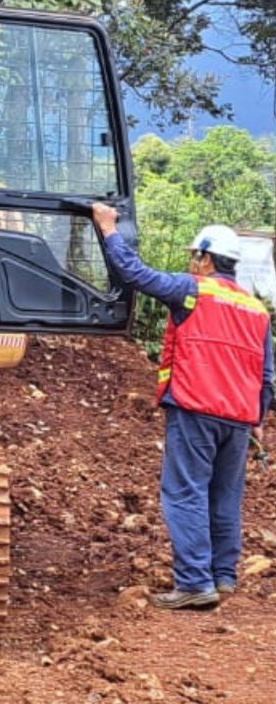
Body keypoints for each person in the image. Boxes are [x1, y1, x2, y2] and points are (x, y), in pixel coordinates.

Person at [91, 205, 273, 610]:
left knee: (185, 493)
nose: (192, 262)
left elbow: (135, 274)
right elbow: (267, 373)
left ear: (206, 259)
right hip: (239, 420)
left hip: (197, 409)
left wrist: (108, 230)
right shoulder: (256, 310)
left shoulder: (193, 290)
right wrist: (259, 418)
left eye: (195, 256)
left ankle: (194, 582)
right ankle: (223, 577)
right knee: (224, 497)